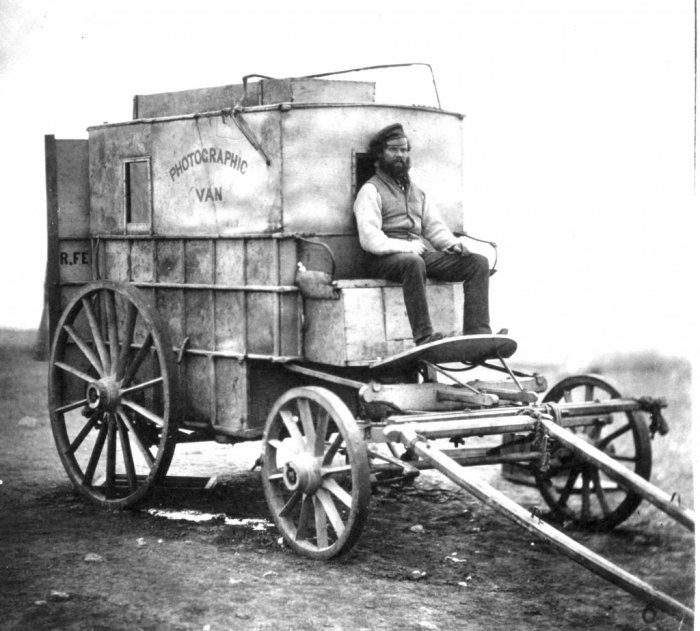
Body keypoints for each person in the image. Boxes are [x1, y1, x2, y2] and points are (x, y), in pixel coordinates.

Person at [353, 123, 492, 346]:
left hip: (415, 255)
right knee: (413, 262)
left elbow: (434, 227)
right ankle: (424, 336)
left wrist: (452, 244)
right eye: (393, 150)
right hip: (381, 259)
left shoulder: (417, 192)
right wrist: (405, 247)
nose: (400, 155)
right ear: (380, 154)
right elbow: (370, 239)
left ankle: (478, 333)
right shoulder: (370, 190)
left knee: (477, 263)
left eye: (404, 150)